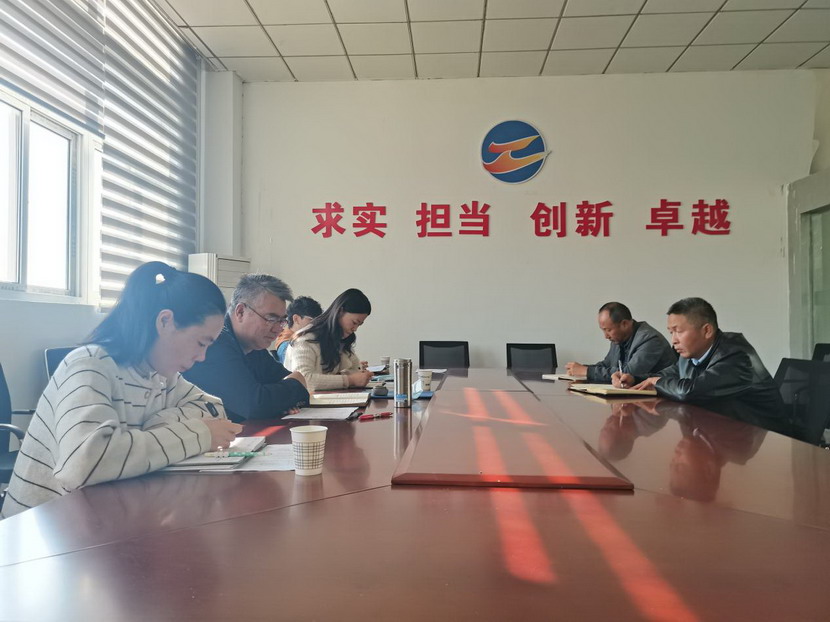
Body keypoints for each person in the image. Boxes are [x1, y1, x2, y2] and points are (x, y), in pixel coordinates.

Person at [1, 262, 242, 518]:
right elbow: (84, 465)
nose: (202, 357)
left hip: (99, 519)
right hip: (39, 528)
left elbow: (214, 409)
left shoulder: (160, 375)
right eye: (201, 343)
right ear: (165, 321)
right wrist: (198, 434)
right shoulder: (90, 365)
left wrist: (161, 423)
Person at [612, 297, 786, 430]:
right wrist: (634, 379)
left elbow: (690, 391)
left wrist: (656, 382)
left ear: (707, 330)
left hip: (767, 441)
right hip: (721, 430)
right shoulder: (691, 353)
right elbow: (670, 374)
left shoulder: (736, 355)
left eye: (679, 331)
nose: (674, 340)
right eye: (671, 332)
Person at [184, 274, 309, 421]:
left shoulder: (254, 346)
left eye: (281, 321)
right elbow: (255, 405)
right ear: (240, 312)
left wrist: (282, 399)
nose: (278, 329)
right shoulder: (215, 343)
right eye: (271, 318)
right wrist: (288, 393)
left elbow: (285, 383)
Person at [284, 288, 373, 391]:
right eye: (354, 322)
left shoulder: (339, 339)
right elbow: (304, 379)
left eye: (359, 325)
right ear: (340, 311)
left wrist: (358, 376)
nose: (355, 329)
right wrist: (349, 380)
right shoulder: (304, 340)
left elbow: (355, 368)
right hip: (304, 400)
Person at [565, 302, 676, 383]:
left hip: (661, 401)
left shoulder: (650, 340)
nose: (605, 336)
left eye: (608, 330)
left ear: (624, 324)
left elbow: (628, 374)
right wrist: (581, 368)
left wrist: (587, 371)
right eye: (603, 330)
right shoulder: (619, 338)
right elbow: (607, 364)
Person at [273, 296, 323, 364]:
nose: (316, 325)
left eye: (318, 322)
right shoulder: (286, 345)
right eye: (312, 320)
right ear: (296, 319)